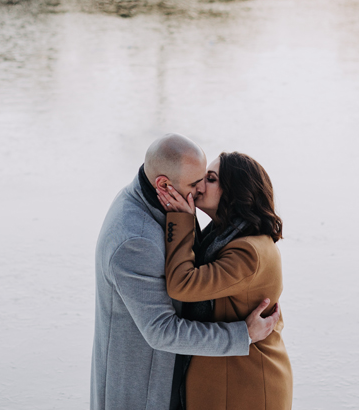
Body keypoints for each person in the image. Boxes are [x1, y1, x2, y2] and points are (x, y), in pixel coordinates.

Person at [92, 134, 281, 410]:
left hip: (178, 382)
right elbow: (161, 331)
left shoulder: (166, 204)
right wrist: (243, 336)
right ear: (164, 183)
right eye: (195, 183)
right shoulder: (136, 241)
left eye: (206, 178)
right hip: (144, 393)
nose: (200, 189)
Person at [156, 151, 292, 410]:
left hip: (244, 384)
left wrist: (181, 219)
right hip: (231, 376)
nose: (198, 185)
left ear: (235, 191)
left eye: (210, 178)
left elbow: (182, 285)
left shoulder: (247, 252)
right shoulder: (227, 237)